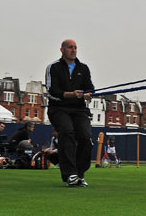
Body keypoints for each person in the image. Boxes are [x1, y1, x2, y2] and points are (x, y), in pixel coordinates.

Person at [45, 39, 94, 187]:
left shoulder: (83, 68)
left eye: (75, 48)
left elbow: (90, 88)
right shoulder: (53, 67)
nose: (73, 50)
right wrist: (71, 94)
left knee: (86, 138)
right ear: (62, 50)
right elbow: (52, 91)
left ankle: (80, 174)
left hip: (79, 109)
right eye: (70, 47)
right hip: (58, 108)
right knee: (67, 132)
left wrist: (88, 94)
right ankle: (70, 174)